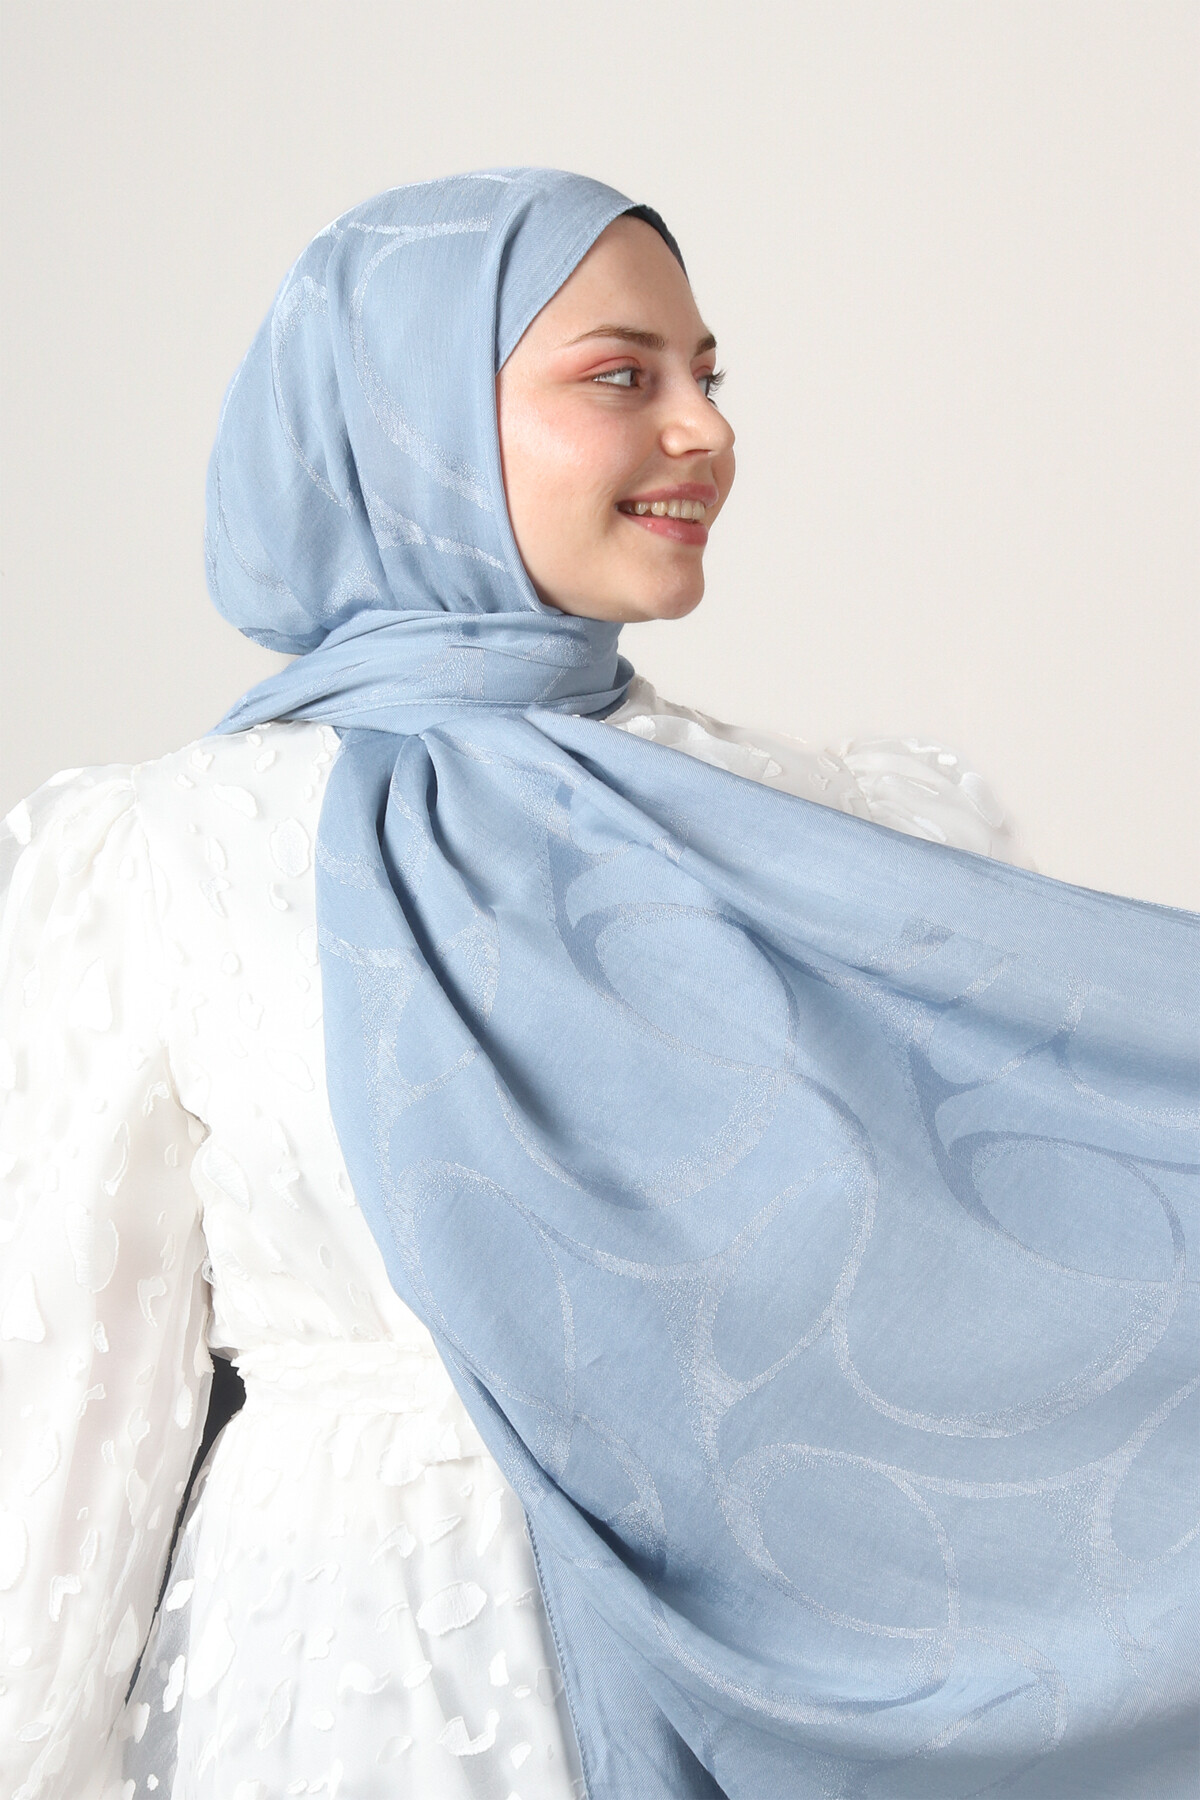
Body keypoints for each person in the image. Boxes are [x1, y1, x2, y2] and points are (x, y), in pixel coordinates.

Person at [1, 170, 1193, 1800]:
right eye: (624, 376)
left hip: (768, 1671)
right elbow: (53, 1446)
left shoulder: (829, 829)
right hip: (351, 1677)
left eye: (709, 374)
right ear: (404, 416)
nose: (705, 429)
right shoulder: (163, 859)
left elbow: (1003, 1275)